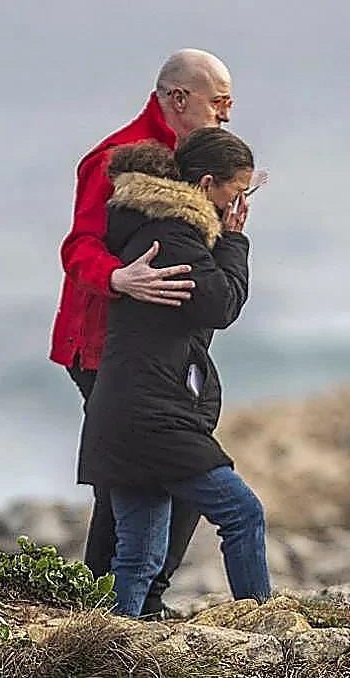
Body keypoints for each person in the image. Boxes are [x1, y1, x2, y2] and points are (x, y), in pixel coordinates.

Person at [50, 49, 234, 616]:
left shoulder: (204, 158)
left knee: (179, 465)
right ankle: (108, 605)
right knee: (129, 475)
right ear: (179, 99)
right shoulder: (114, 158)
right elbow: (77, 247)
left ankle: (140, 598)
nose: (226, 115)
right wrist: (118, 277)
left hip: (171, 344)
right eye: (219, 102)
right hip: (103, 343)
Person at [79, 129, 268, 616]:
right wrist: (235, 240)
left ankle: (106, 647)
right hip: (151, 413)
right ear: (206, 185)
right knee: (242, 513)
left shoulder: (159, 226)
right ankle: (268, 627)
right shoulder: (172, 234)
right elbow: (220, 304)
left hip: (128, 409)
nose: (240, 202)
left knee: (139, 555)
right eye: (236, 191)